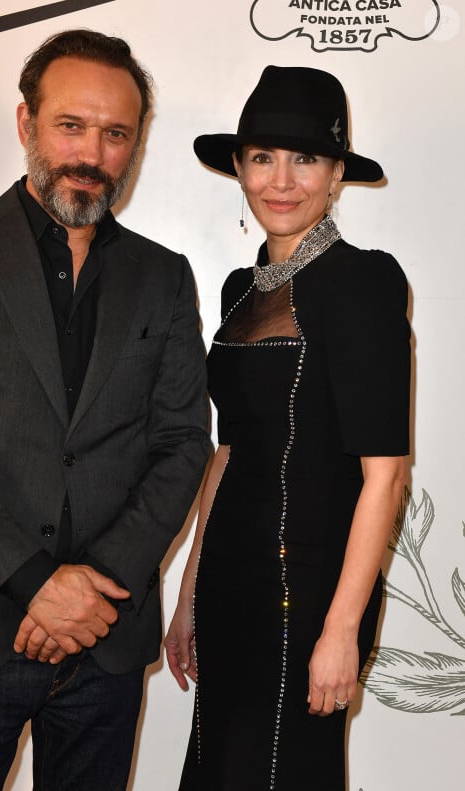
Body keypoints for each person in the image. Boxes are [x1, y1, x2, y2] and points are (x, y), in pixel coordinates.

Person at [0, 29, 210, 791]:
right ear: (28, 122)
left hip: (105, 643)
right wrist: (35, 583)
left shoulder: (164, 278)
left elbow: (182, 443)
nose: (90, 152)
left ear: (135, 144)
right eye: (71, 125)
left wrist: (89, 587)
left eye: (115, 133)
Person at [165, 65, 410, 790]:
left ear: (337, 174)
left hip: (307, 595)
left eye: (305, 158)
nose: (282, 179)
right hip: (228, 587)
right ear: (238, 168)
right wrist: (188, 593)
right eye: (263, 157)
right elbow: (229, 451)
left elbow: (386, 476)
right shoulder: (241, 288)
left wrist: (341, 629)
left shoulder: (364, 281)